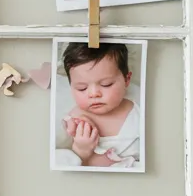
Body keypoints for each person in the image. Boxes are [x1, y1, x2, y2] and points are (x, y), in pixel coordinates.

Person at [59, 42, 141, 170]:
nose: (93, 94)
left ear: (126, 80)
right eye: (82, 88)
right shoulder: (73, 121)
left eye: (106, 84)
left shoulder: (139, 113)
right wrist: (81, 150)